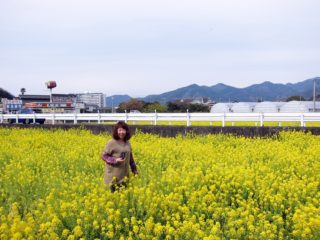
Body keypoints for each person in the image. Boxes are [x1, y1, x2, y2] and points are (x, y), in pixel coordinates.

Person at [101, 121, 138, 191]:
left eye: (123, 130)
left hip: (124, 176)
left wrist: (134, 170)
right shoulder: (111, 142)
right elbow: (104, 156)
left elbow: (130, 158)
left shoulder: (127, 143)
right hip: (113, 177)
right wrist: (114, 160)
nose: (122, 132)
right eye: (120, 130)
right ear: (116, 131)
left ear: (126, 131)